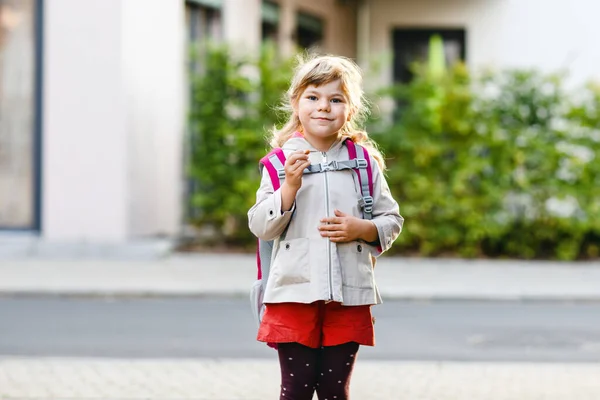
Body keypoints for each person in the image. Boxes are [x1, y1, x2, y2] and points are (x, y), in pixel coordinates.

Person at [248, 54, 403, 400]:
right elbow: (260, 226)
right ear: (296, 103)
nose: (324, 107)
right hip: (293, 294)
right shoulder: (278, 164)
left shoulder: (363, 163)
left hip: (348, 295)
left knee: (335, 391)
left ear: (350, 109)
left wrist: (360, 229)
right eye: (313, 97)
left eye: (336, 99)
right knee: (296, 392)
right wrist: (288, 187)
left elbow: (391, 221)